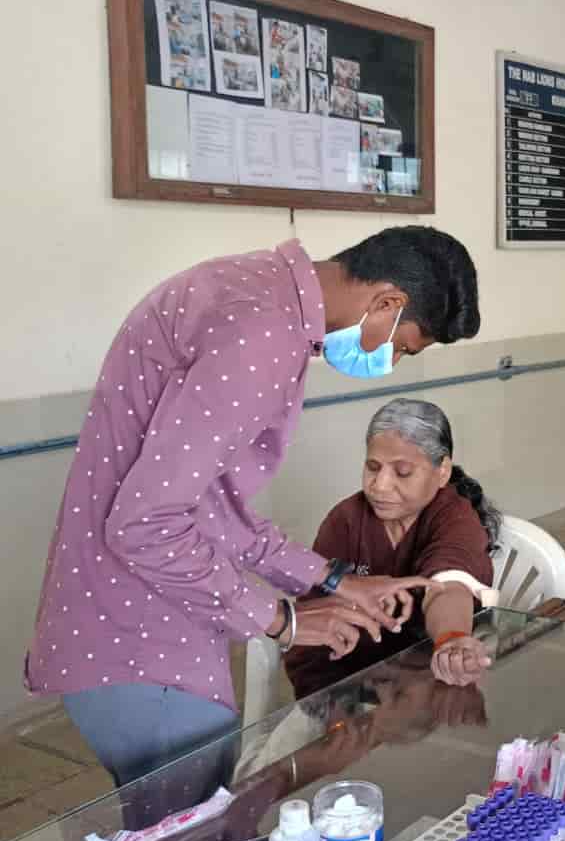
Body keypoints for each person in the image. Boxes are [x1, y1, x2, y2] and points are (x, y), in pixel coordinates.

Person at [26, 226, 482, 787]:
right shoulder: (262, 336)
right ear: (387, 303)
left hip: (118, 630)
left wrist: (332, 579)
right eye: (403, 346)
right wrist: (279, 619)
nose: (391, 360)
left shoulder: (250, 289)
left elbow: (211, 507)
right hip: (144, 642)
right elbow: (147, 524)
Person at [284, 399, 499, 698]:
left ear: (442, 471)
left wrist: (451, 639)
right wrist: (330, 708)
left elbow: (448, 585)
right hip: (346, 687)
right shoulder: (345, 521)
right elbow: (314, 621)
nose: (380, 486)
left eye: (402, 472)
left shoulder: (455, 519)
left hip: (429, 688)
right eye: (373, 467)